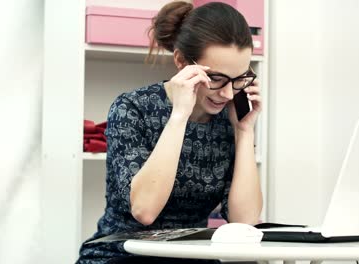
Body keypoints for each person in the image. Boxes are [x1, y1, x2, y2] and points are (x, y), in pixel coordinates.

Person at [77, 1, 262, 263]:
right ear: (182, 62)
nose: (228, 93)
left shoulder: (228, 120)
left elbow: (245, 221)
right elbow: (145, 211)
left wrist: (244, 132)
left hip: (191, 257)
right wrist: (179, 116)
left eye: (240, 79)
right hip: (122, 256)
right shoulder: (132, 108)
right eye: (217, 78)